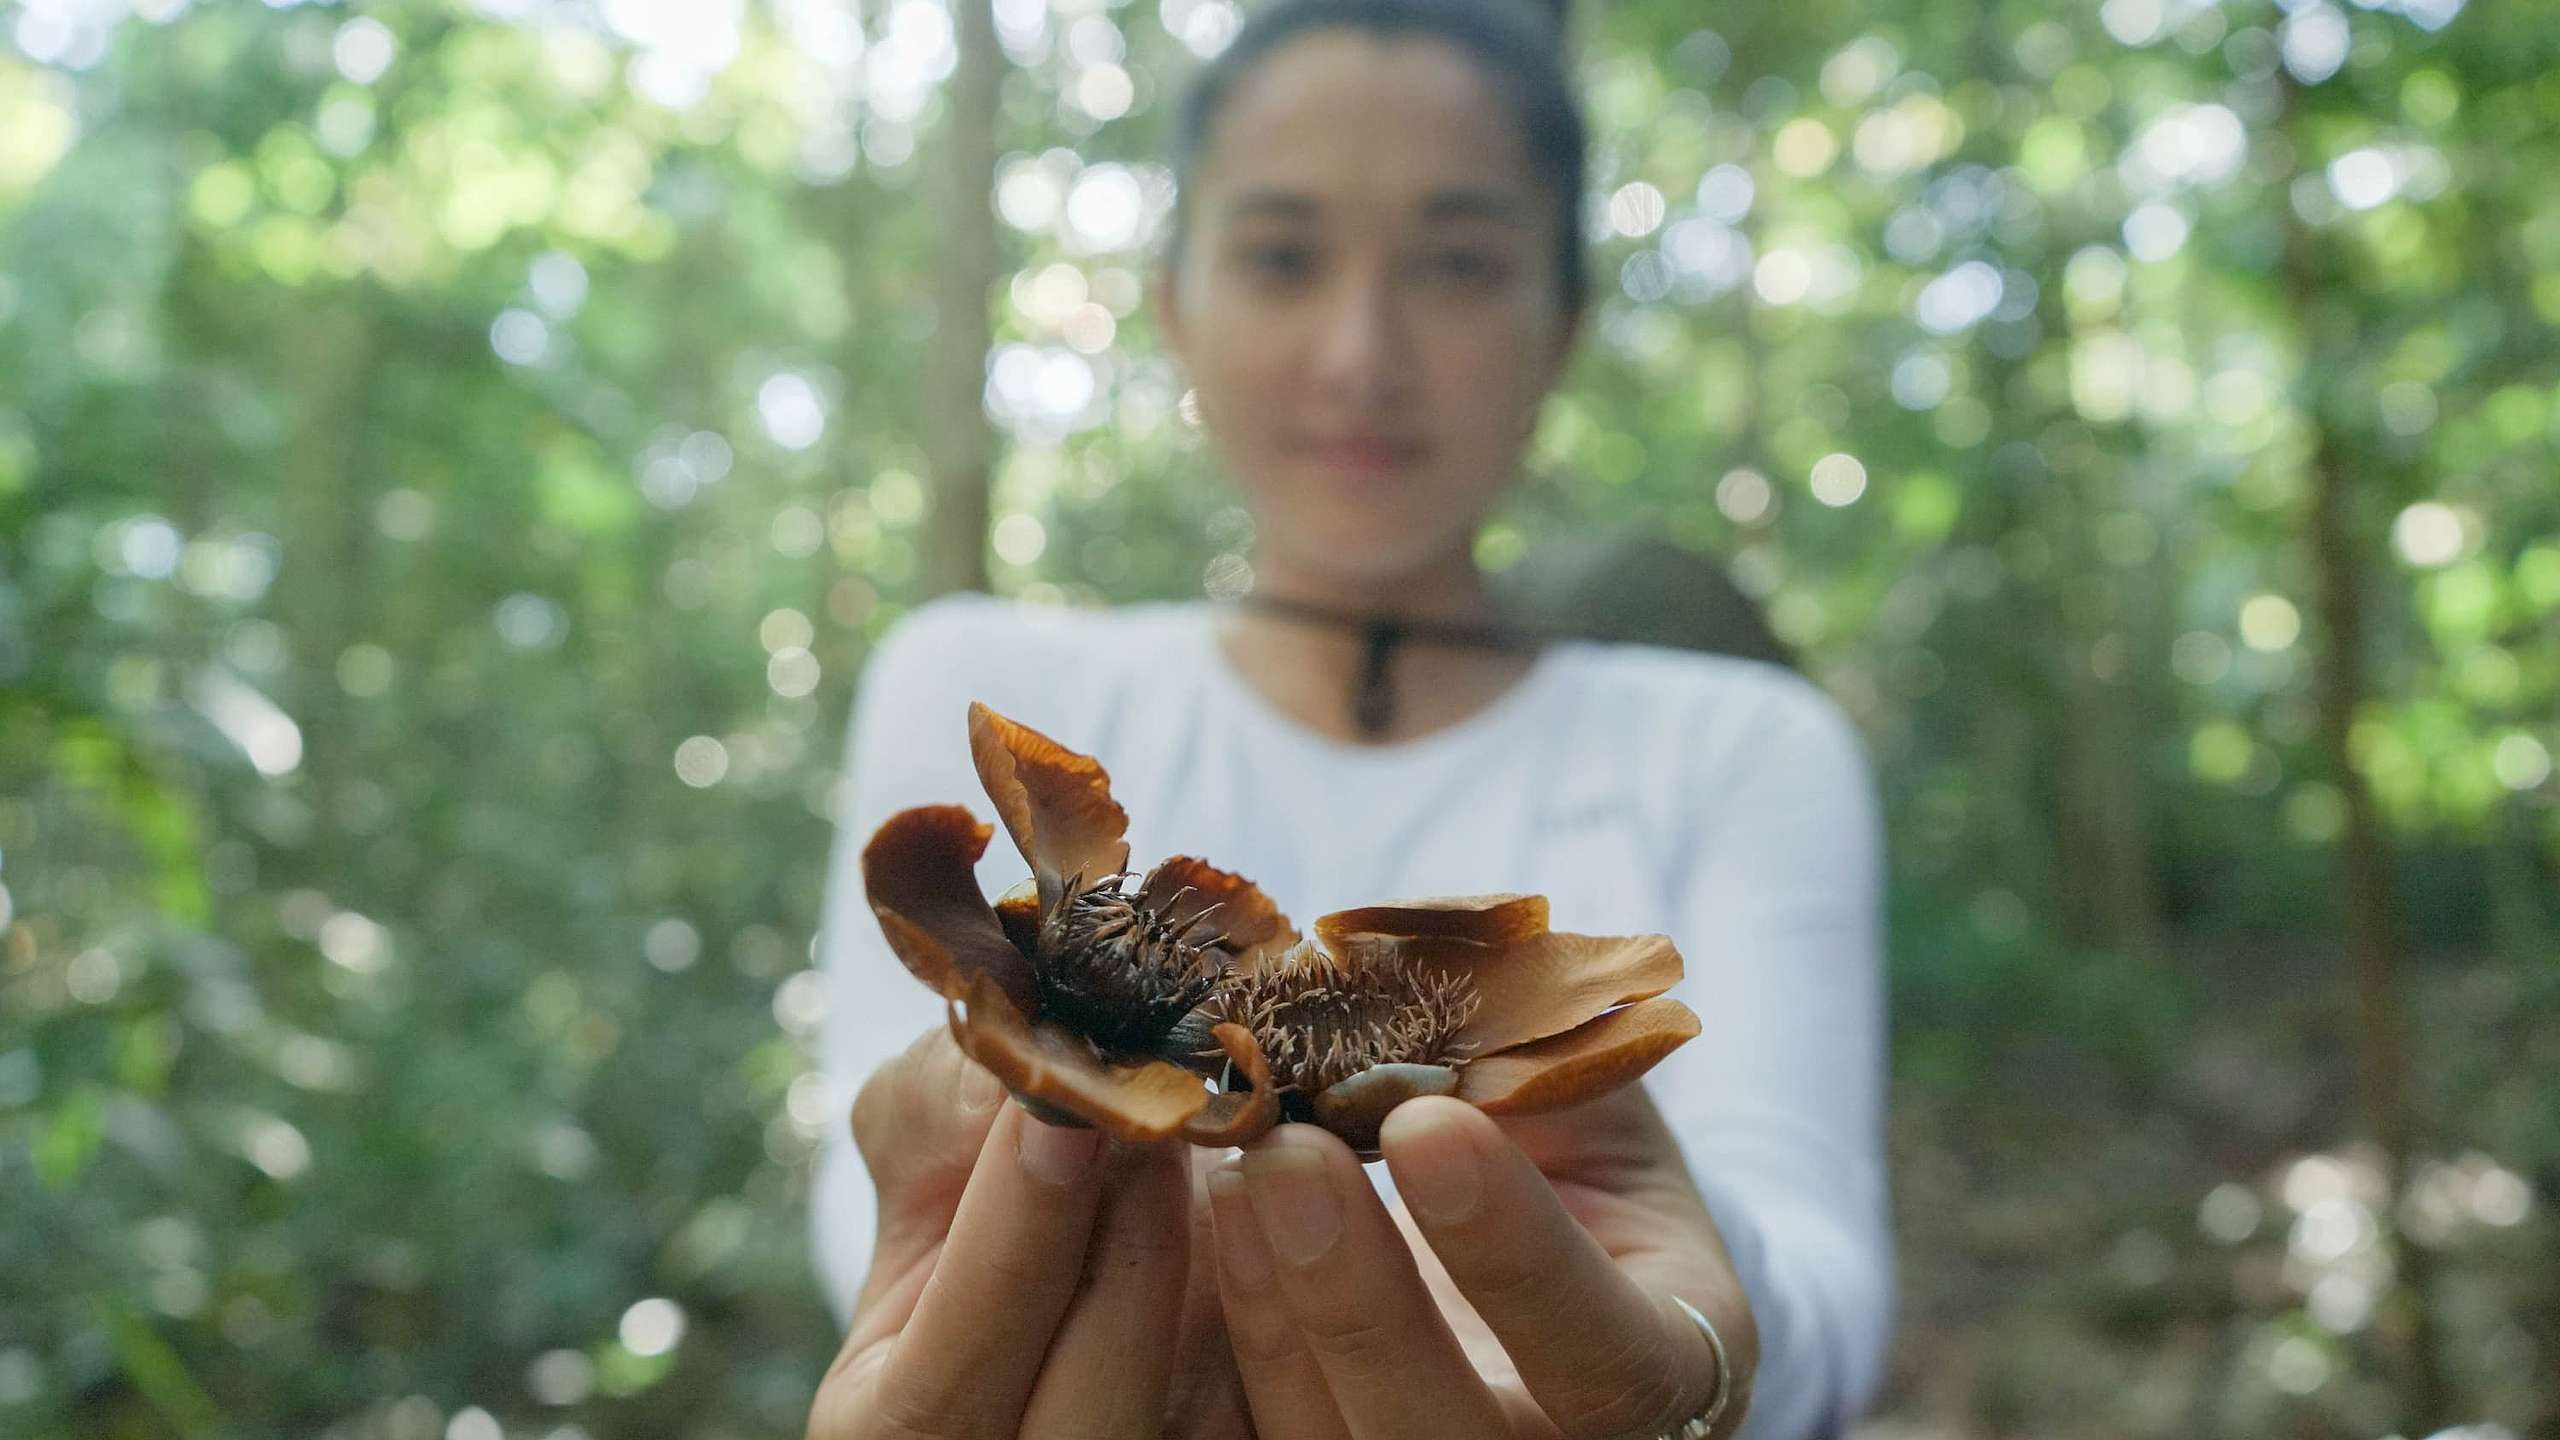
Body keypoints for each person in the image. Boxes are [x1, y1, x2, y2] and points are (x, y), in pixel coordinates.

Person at [806, 0, 1892, 1433]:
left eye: (1456, 264)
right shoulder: (982, 687)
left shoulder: (1742, 747)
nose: (1361, 352)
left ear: (1563, 321)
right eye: (1281, 256)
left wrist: (1670, 1345)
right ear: (1175, 303)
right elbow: (871, 1216)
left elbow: (1818, 1288)